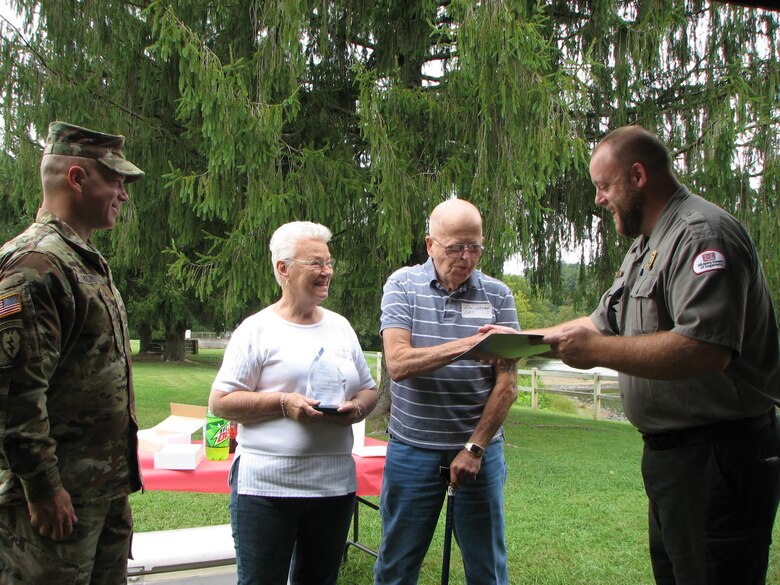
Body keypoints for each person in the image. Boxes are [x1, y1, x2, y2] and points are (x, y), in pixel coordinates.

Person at [493, 125, 780, 585]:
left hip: (720, 457)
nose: (599, 199)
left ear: (638, 175)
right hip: (674, 460)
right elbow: (596, 322)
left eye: (604, 186)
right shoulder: (644, 248)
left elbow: (706, 349)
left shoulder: (702, 235)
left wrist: (599, 353)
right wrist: (515, 340)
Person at [0, 122, 145, 585]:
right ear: (78, 178)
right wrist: (43, 489)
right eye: (116, 181)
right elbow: (14, 395)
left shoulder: (79, 259)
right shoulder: (35, 265)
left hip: (98, 492)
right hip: (54, 502)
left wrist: (112, 492)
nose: (123, 194)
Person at [208, 221, 379, 585]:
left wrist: (358, 409)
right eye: (315, 262)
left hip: (333, 489)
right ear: (282, 269)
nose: (327, 271)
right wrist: (283, 403)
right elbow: (221, 402)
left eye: (329, 262)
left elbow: (368, 389)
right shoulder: (256, 330)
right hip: (266, 488)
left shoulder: (341, 327)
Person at [374, 199, 520, 585]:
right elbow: (399, 364)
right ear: (430, 245)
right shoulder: (402, 285)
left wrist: (475, 447)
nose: (467, 257)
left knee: (486, 565)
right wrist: (472, 346)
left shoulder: (498, 296)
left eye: (475, 246)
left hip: (480, 452)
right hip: (412, 450)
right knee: (397, 563)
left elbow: (507, 385)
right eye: (455, 247)